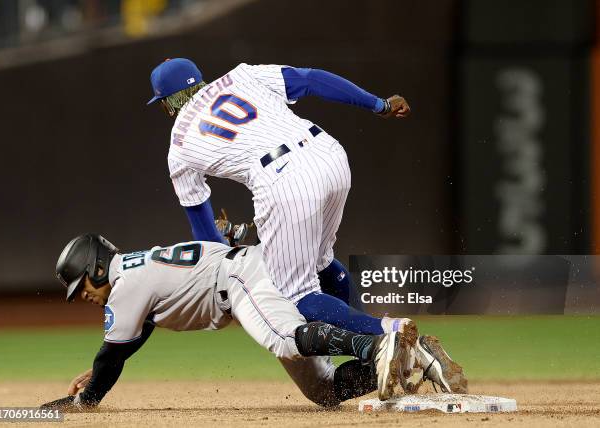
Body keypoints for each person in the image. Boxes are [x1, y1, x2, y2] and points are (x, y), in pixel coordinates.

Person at [147, 58, 414, 338]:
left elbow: (203, 231)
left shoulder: (177, 146)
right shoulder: (243, 75)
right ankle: (371, 353)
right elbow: (313, 79)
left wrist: (226, 255)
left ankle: (388, 332)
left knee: (295, 294)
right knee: (321, 261)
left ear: (167, 103)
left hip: (283, 178)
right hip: (328, 152)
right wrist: (379, 104)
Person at [40, 234, 423, 411]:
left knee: (286, 340)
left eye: (82, 284)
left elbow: (112, 355)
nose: (82, 295)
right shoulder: (133, 273)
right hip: (242, 277)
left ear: (98, 267)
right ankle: (394, 367)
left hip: (241, 279)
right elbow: (134, 337)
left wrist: (85, 401)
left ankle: (375, 346)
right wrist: (98, 371)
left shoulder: (124, 286)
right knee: (321, 392)